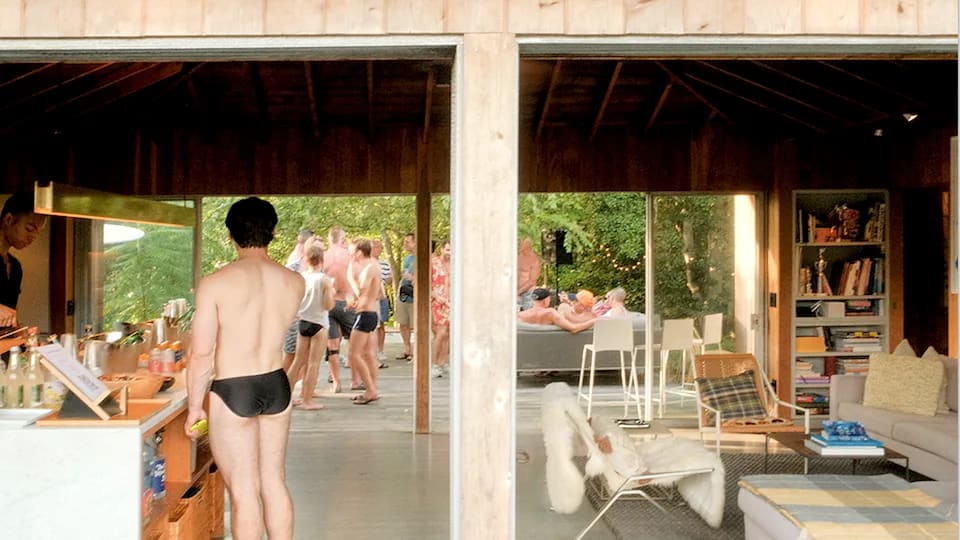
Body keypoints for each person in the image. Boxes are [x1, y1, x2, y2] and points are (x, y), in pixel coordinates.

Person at [184, 197, 304, 540]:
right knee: (274, 481)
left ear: (229, 234)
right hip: (276, 384)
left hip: (233, 388)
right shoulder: (294, 281)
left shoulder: (215, 283)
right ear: (274, 232)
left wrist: (194, 407)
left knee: (243, 491)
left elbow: (202, 353)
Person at [286, 243, 335, 407]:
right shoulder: (324, 280)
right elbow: (328, 305)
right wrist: (331, 293)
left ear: (306, 260)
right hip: (318, 323)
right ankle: (307, 400)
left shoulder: (301, 278)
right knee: (313, 363)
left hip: (303, 322)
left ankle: (287, 398)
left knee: (297, 361)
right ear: (322, 260)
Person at [0, 193, 45, 328]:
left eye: (38, 232)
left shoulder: (15, 267)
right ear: (8, 219)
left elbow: (10, 319)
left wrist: (21, 331)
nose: (33, 237)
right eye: (29, 229)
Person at [324, 226, 361, 390]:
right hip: (348, 301)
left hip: (329, 302)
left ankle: (336, 382)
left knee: (332, 345)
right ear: (343, 240)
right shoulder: (350, 256)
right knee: (354, 343)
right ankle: (355, 380)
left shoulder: (323, 256)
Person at [346, 239, 382, 404]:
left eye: (353, 251)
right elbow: (379, 294)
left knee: (353, 354)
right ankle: (371, 388)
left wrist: (350, 279)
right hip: (371, 312)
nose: (351, 255)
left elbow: (362, 292)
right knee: (368, 354)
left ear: (360, 252)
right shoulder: (375, 266)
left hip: (366, 314)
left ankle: (371, 390)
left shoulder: (368, 269)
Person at [518, 288, 595, 333]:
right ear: (546, 300)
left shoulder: (520, 315)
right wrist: (595, 321)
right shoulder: (551, 313)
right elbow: (574, 329)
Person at [430, 240, 451, 378]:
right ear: (442, 249)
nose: (450, 253)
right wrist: (435, 295)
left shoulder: (456, 264)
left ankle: (443, 362)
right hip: (438, 300)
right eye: (448, 250)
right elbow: (424, 281)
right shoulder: (434, 263)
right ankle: (434, 363)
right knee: (440, 332)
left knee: (448, 332)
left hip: (451, 301)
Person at [394, 232, 415, 361]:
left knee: (415, 324)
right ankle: (407, 349)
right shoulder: (407, 258)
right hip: (404, 293)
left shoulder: (425, 258)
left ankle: (417, 351)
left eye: (408, 242)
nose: (405, 244)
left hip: (416, 295)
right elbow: (404, 273)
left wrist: (413, 278)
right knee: (403, 323)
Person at [371, 239, 392, 364]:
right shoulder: (366, 263)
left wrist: (389, 279)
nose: (380, 249)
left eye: (381, 247)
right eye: (378, 247)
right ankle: (371, 351)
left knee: (382, 323)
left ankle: (380, 350)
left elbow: (389, 280)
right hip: (371, 297)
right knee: (372, 324)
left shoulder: (384, 263)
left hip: (382, 296)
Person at [517, 237, 543, 311]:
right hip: (515, 292)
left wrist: (518, 292)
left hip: (528, 294)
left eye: (521, 243)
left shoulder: (535, 260)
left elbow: (532, 281)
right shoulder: (518, 257)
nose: (519, 245)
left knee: (527, 314)